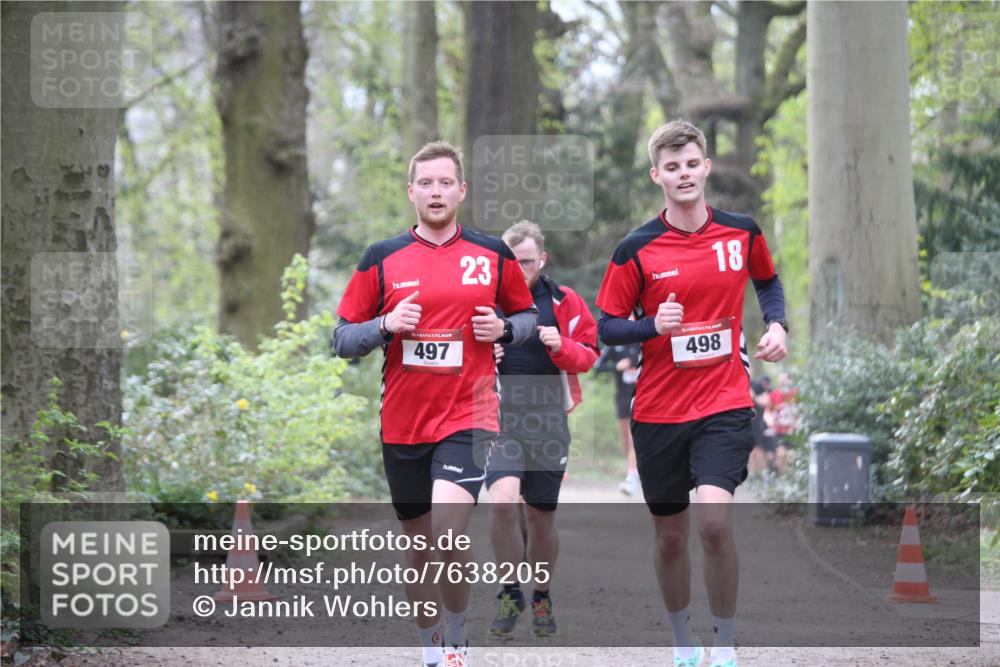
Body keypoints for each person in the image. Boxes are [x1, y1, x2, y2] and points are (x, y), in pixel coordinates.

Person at [333, 141, 538, 667]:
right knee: (420, 546)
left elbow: (528, 316)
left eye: (446, 182)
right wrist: (383, 326)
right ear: (412, 193)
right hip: (403, 421)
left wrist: (505, 329)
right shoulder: (382, 258)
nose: (436, 191)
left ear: (461, 190)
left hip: (469, 414)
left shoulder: (491, 253)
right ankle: (430, 647)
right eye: (426, 183)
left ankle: (456, 634)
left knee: (448, 534)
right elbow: (341, 339)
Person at [595, 120, 788, 667]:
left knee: (713, 523)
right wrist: (652, 325)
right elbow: (605, 325)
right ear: (658, 175)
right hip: (658, 411)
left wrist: (777, 326)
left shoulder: (741, 232)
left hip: (725, 400)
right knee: (672, 536)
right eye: (671, 167)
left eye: (691, 164)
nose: (683, 174)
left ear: (706, 167)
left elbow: (767, 281)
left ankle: (724, 644)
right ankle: (684, 642)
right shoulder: (636, 248)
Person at [485, 220, 598, 638]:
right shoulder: (486, 302)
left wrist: (560, 346)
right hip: (498, 421)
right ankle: (510, 590)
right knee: (501, 502)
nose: (519, 270)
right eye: (512, 264)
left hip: (549, 421)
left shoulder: (564, 301)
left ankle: (541, 594)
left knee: (540, 517)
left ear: (542, 260)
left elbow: (590, 354)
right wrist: (486, 351)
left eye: (527, 262)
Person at [595, 342, 642, 494]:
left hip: (642, 396)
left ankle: (632, 476)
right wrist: (616, 366)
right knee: (625, 440)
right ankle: (634, 470)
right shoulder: (615, 343)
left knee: (632, 437)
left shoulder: (645, 339)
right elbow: (597, 366)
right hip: (622, 397)